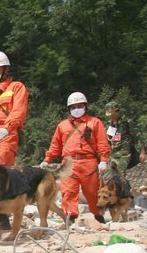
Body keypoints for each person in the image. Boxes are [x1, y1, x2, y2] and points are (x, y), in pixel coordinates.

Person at [40, 92, 111, 223]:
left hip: (88, 161)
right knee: (68, 191)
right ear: (69, 109)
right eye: (73, 107)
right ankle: (70, 217)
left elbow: (102, 143)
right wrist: (47, 159)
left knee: (92, 192)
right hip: (68, 162)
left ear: (85, 106)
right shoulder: (62, 126)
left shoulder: (95, 123)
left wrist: (103, 160)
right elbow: (55, 145)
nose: (76, 109)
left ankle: (97, 216)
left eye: (79, 106)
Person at [104, 101, 144, 174]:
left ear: (117, 111)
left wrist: (142, 152)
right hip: (112, 154)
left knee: (120, 174)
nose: (110, 117)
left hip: (124, 153)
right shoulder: (109, 124)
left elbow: (138, 136)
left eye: (112, 115)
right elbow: (108, 139)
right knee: (113, 176)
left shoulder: (127, 122)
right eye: (109, 115)